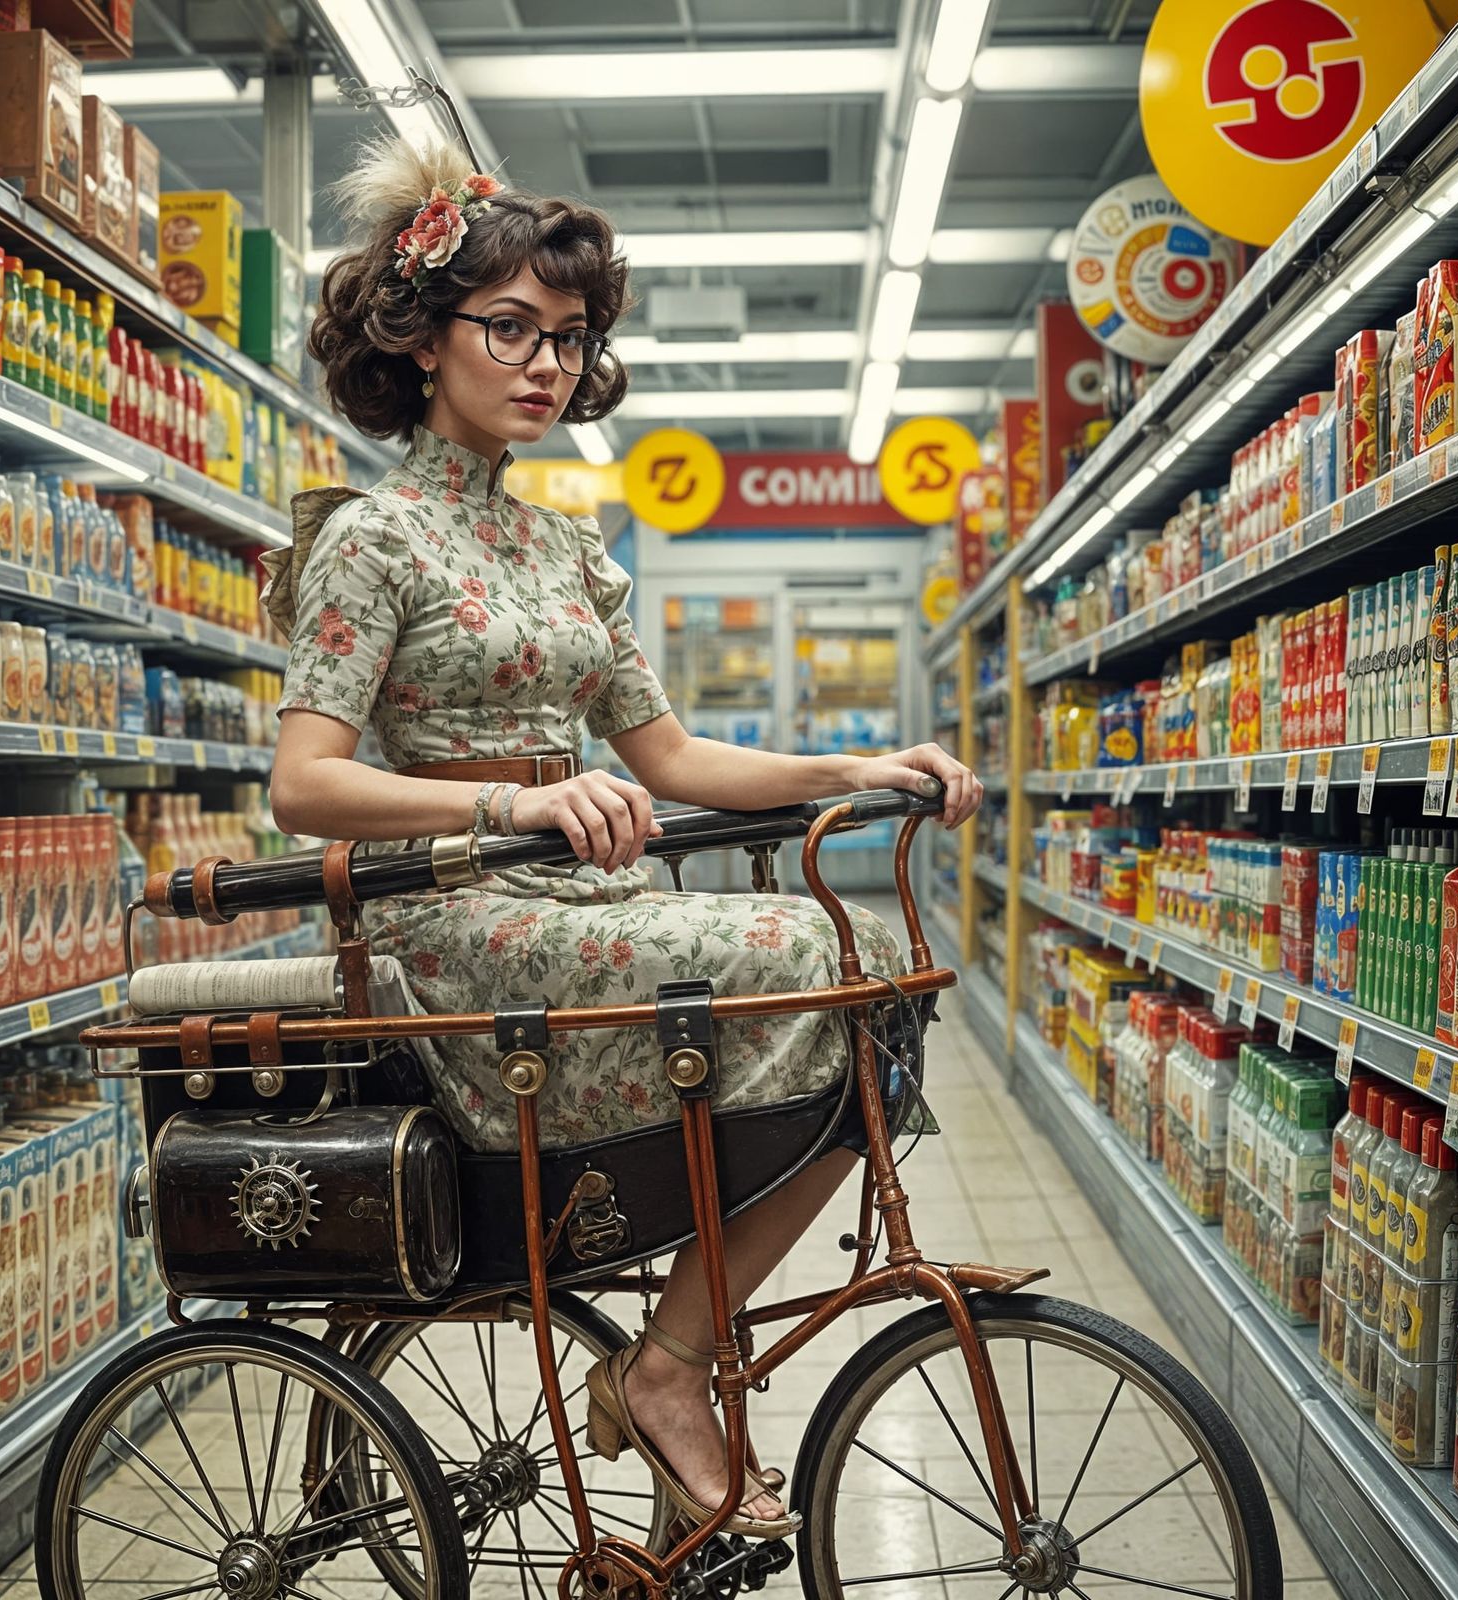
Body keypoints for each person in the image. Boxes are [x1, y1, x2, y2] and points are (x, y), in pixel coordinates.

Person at [265, 134, 983, 1540]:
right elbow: (305, 785)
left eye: (569, 339)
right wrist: (516, 803)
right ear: (421, 341)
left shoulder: (568, 552)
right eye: (510, 330)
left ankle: (667, 1349)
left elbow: (671, 757)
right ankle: (666, 1376)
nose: (544, 364)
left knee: (873, 977)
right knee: (795, 947)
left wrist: (860, 762)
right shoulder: (371, 540)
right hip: (449, 925)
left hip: (578, 903)